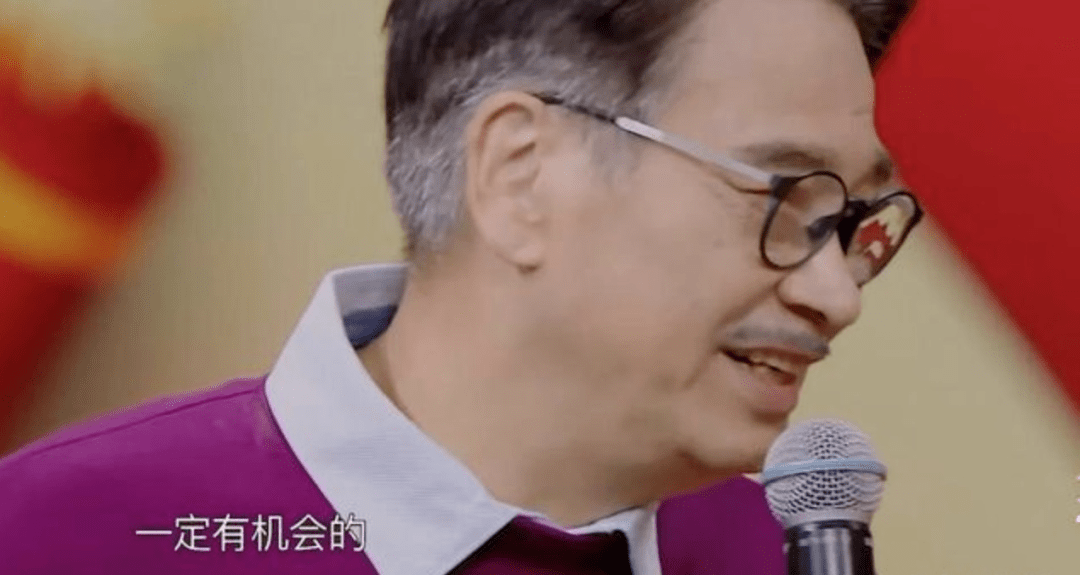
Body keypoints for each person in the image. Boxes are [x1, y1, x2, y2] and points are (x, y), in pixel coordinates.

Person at [0, 0, 919, 573]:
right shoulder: (74, 536)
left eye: (852, 222)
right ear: (522, 175)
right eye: (784, 196)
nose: (837, 296)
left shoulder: (781, 553)